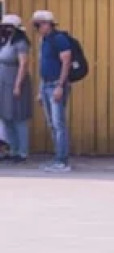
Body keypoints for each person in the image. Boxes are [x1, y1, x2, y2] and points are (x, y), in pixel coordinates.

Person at [32, 10, 73, 173]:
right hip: (46, 84)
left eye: (39, 25)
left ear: (48, 24)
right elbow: (43, 66)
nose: (37, 28)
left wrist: (60, 86)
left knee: (58, 124)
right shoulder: (44, 40)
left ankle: (62, 160)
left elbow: (66, 62)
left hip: (56, 84)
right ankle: (58, 157)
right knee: (52, 124)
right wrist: (40, 90)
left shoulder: (59, 39)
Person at [0, 14, 29, 162]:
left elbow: (23, 65)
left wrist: (18, 85)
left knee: (18, 117)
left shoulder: (20, 43)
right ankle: (13, 149)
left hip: (14, 82)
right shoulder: (6, 42)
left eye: (8, 27)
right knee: (6, 117)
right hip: (3, 83)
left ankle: (22, 152)